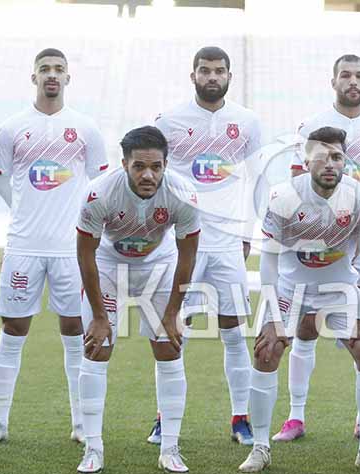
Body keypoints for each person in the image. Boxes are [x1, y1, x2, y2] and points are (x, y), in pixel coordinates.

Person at [238, 126, 360, 474]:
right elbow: (269, 261)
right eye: (321, 157)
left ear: (345, 161)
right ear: (305, 162)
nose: (330, 164)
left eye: (337, 157)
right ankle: (260, 447)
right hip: (291, 289)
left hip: (340, 290)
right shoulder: (283, 196)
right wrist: (273, 316)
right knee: (266, 350)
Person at [0, 48, 108, 445]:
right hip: (24, 246)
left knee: (75, 329)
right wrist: (24, 210)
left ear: (68, 77)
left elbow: (98, 184)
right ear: (33, 76)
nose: (52, 75)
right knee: (13, 329)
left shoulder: (86, 128)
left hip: (71, 249)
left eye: (59, 69)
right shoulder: (12, 128)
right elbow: (0, 180)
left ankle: (80, 423)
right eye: (45, 69)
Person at [280, 53, 360, 444]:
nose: (353, 81)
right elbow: (297, 191)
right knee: (305, 328)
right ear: (333, 81)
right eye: (345, 75)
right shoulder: (310, 127)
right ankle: (295, 417)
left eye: (359, 75)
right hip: (317, 247)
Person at [152, 46, 262, 446]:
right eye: (205, 70)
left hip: (228, 243)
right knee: (171, 329)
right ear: (193, 75)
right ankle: (164, 419)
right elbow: (154, 179)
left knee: (233, 331)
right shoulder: (169, 121)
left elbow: (258, 179)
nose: (212, 76)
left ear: (229, 76)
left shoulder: (247, 122)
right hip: (182, 243)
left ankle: (241, 418)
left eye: (219, 70)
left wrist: (248, 232)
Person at [75, 126, 200, 474]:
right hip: (108, 265)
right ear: (124, 164)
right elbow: (85, 254)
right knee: (97, 349)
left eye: (156, 167)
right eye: (139, 166)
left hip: (159, 266)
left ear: (165, 165)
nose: (148, 175)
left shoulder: (183, 195)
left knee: (169, 348)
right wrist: (100, 316)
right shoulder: (98, 194)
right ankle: (93, 448)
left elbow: (188, 256)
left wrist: (173, 312)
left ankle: (170, 448)